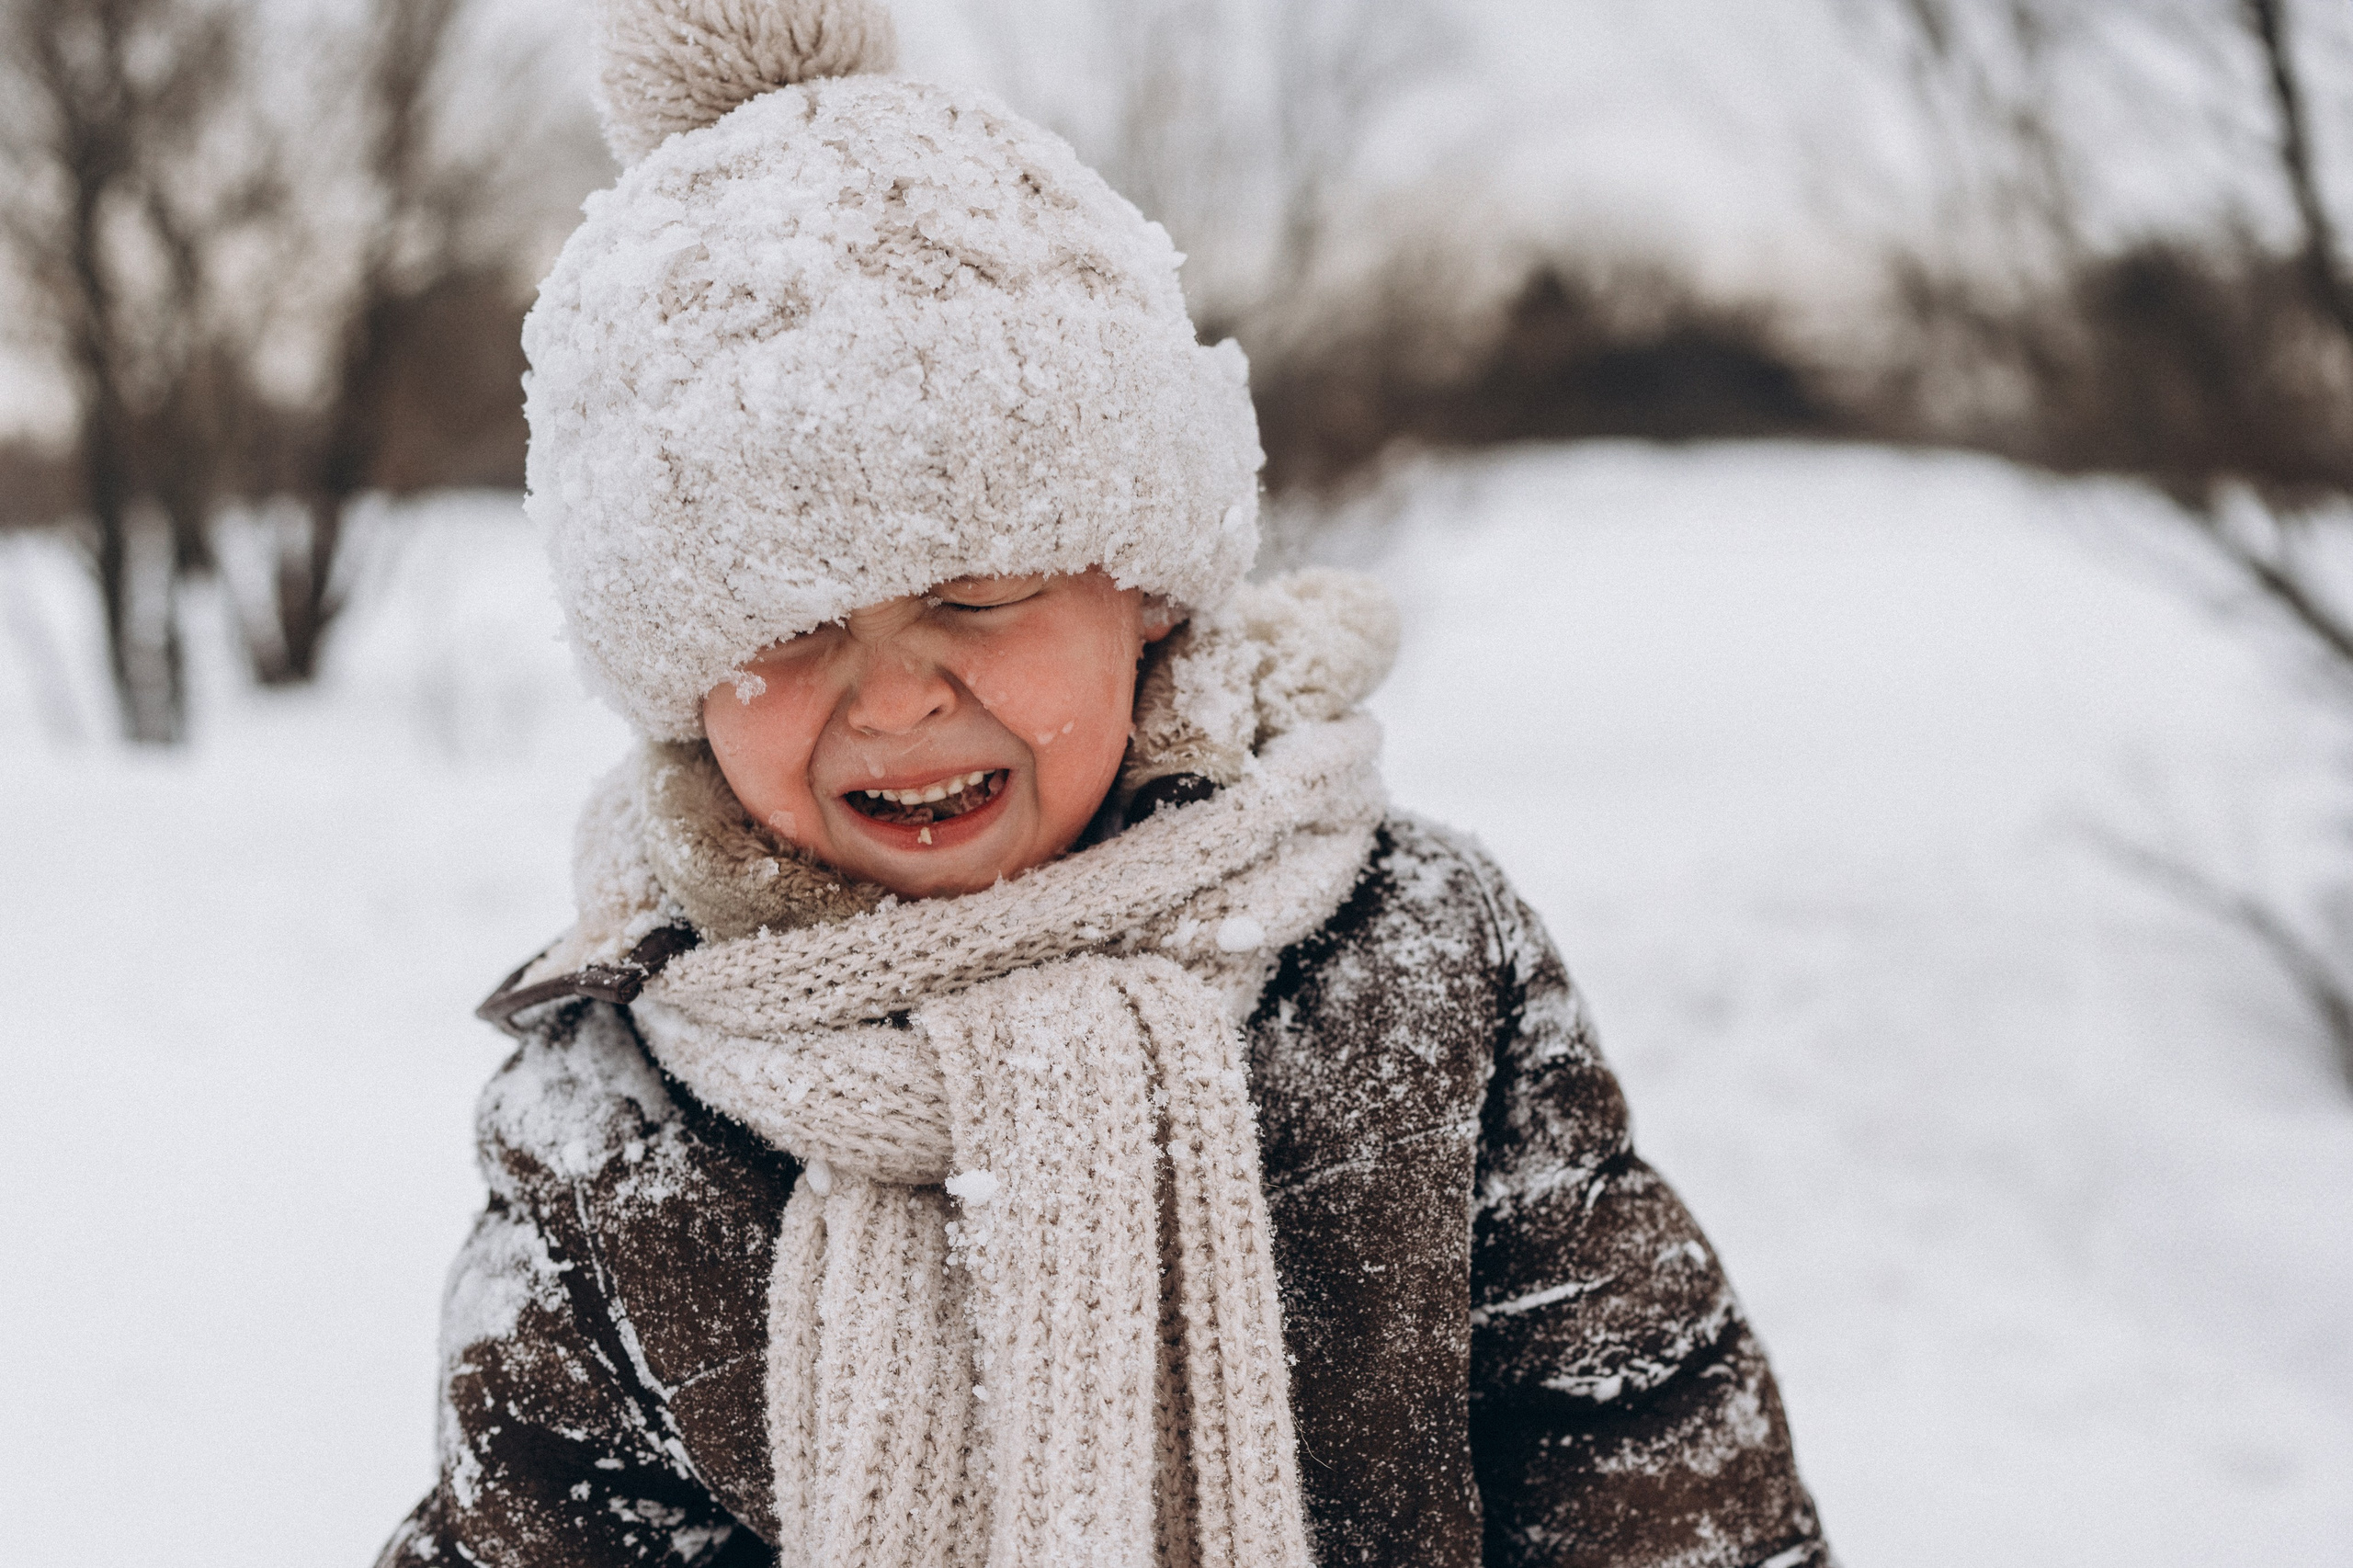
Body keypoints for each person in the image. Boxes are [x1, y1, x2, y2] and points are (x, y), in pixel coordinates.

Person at [378, 2, 1833, 1564]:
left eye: (978, 594)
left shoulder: (1410, 960)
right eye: (790, 630)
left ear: (1142, 590)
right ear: (675, 681)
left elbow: (1643, 1444)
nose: (897, 694)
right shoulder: (618, 1111)